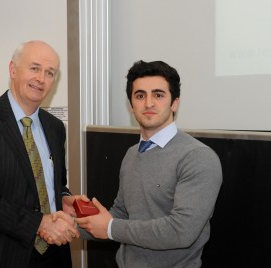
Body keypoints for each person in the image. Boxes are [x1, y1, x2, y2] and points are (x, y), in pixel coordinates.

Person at [75, 60, 223, 267]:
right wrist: (72, 224)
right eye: (140, 95)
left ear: (175, 103)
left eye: (158, 95)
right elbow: (121, 214)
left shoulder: (198, 157)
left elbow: (181, 231)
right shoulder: (132, 154)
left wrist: (110, 228)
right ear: (131, 105)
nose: (149, 103)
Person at [0, 40, 79, 268]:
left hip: (52, 256)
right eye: (34, 68)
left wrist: (64, 197)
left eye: (50, 73)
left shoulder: (55, 128)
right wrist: (39, 223)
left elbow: (54, 183)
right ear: (13, 69)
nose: (41, 78)